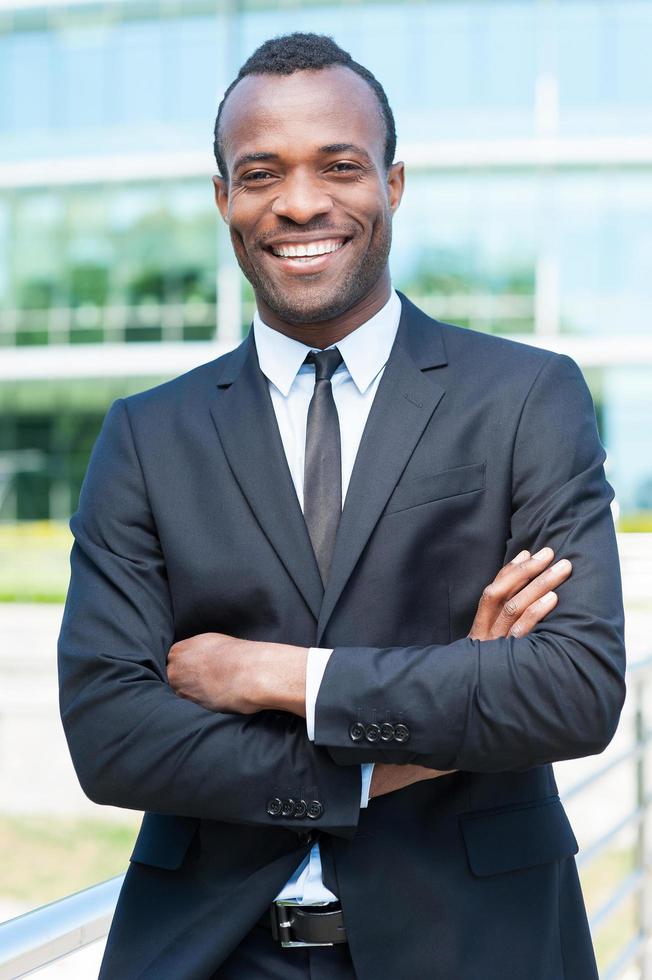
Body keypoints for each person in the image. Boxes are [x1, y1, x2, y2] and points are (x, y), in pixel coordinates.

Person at [57, 32, 626, 980]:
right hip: (213, 952)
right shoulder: (146, 436)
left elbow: (573, 689)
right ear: (223, 199)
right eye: (261, 173)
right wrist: (431, 729)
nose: (301, 203)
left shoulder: (525, 398)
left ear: (392, 184)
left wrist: (280, 676)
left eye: (340, 166)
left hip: (479, 946)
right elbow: (113, 736)